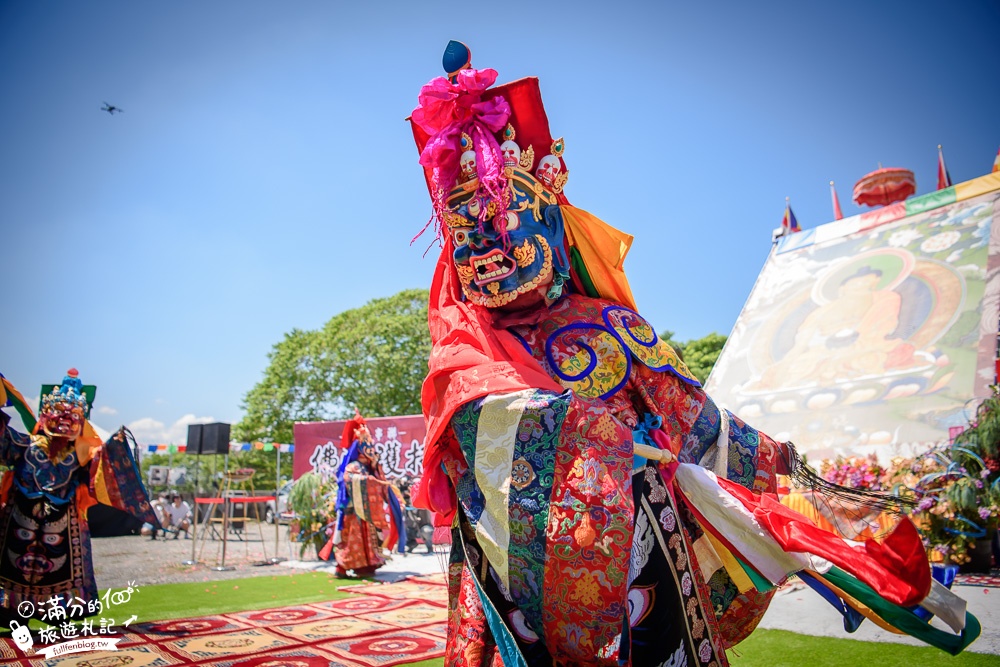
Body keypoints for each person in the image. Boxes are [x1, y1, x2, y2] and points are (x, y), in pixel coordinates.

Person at [409, 42, 979, 665]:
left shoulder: (607, 328)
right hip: (506, 578)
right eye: (464, 231)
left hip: (637, 568)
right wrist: (583, 435)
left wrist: (815, 497)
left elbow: (703, 425)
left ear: (552, 224)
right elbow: (471, 430)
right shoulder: (466, 351)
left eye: (502, 214)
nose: (483, 244)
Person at [0, 370, 160, 622]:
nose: (65, 420)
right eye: (59, 412)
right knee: (14, 562)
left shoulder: (82, 455)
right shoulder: (24, 445)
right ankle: (11, 610)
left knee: (59, 567)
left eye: (73, 415)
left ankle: (57, 612)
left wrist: (115, 449)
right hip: (21, 520)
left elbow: (104, 476)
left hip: (64, 526)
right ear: (45, 415)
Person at [318, 414, 406, 578]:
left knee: (369, 540)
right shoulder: (353, 466)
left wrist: (375, 473)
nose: (371, 451)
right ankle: (343, 567)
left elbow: (382, 483)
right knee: (352, 541)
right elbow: (348, 480)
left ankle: (366, 566)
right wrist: (368, 481)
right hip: (354, 512)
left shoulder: (370, 468)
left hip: (368, 513)